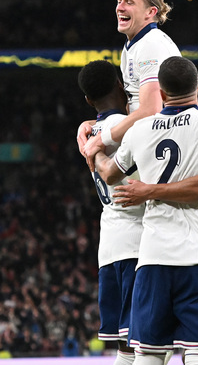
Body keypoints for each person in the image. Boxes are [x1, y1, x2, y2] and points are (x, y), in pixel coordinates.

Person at [94, 56, 198, 365]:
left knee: (149, 354)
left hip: (151, 259)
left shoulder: (139, 131)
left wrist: (91, 147)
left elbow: (109, 173)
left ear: (163, 94)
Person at [78, 60, 144, 365]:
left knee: (125, 349)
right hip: (140, 244)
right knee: (150, 344)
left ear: (90, 101)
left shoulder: (90, 135)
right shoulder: (132, 129)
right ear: (122, 85)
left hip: (110, 249)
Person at [77, 0, 181, 166]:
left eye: (129, 2)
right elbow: (134, 108)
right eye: (119, 1)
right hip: (152, 140)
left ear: (151, 12)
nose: (120, 8)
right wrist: (92, 125)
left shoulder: (152, 45)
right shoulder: (134, 45)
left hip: (166, 147)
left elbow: (152, 110)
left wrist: (102, 138)